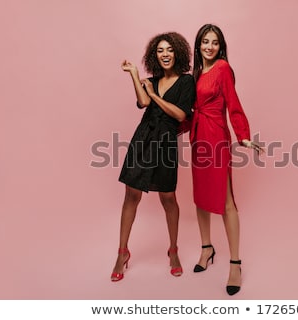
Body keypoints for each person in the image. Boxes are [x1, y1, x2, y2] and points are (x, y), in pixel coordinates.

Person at [110, 32, 195, 281]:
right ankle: (122, 252)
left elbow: (180, 115)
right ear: (154, 55)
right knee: (131, 195)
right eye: (160, 50)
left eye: (169, 49)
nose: (165, 54)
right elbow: (143, 101)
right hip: (143, 139)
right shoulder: (153, 79)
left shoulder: (186, 81)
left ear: (177, 52)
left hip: (166, 142)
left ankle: (173, 250)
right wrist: (135, 76)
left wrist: (154, 95)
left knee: (168, 198)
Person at [190, 24, 264, 295]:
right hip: (198, 138)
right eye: (205, 42)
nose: (210, 47)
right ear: (198, 45)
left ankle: (235, 263)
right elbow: (190, 110)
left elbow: (233, 102)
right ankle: (206, 248)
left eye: (215, 42)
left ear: (221, 47)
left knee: (225, 199)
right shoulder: (197, 73)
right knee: (200, 196)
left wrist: (243, 135)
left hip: (216, 138)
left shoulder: (222, 68)